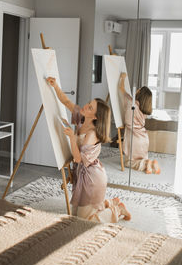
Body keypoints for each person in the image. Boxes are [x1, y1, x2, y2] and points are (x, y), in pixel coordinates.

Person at [47, 76, 131, 223]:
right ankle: (108, 203)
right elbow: (66, 102)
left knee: (85, 222)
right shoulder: (82, 117)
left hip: (92, 179)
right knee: (76, 216)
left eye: (90, 107)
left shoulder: (92, 133)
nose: (85, 107)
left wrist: (72, 138)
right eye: (89, 104)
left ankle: (117, 209)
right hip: (84, 175)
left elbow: (79, 159)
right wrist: (55, 87)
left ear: (96, 116)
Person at [119, 72, 160, 174]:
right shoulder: (143, 108)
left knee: (129, 162)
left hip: (135, 138)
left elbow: (121, 89)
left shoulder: (132, 104)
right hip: (143, 137)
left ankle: (147, 164)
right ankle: (149, 164)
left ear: (140, 93)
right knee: (140, 158)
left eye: (139, 89)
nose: (137, 89)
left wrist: (122, 78)